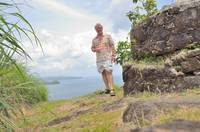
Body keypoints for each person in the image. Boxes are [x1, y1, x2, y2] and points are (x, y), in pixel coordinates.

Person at [91, 23, 116, 96]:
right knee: (103, 73)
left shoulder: (108, 36)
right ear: (95, 30)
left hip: (107, 57)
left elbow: (112, 46)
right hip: (99, 59)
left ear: (102, 28)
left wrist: (113, 55)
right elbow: (92, 48)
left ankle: (112, 89)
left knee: (109, 72)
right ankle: (108, 89)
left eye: (100, 28)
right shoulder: (94, 39)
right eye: (97, 28)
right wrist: (95, 49)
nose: (99, 29)